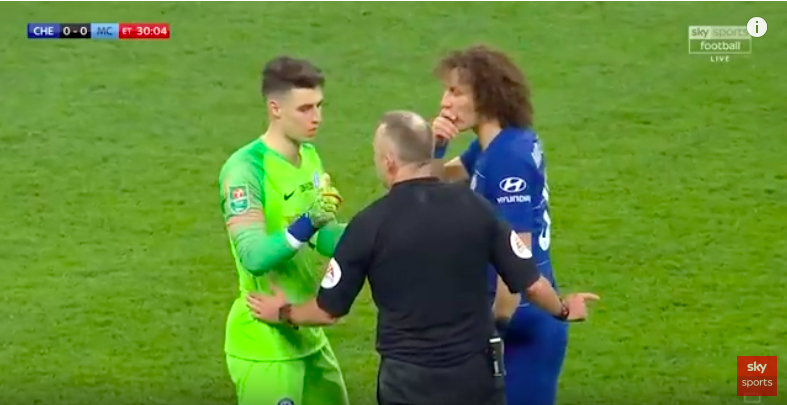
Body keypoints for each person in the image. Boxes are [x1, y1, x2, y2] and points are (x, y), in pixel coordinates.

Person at [246, 110, 599, 405]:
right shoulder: (478, 208)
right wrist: (564, 309)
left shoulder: (370, 224)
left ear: (388, 161)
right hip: (475, 377)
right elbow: (532, 284)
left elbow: (328, 311)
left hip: (408, 383)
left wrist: (283, 312)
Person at [430, 44, 569, 405]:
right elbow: (431, 184)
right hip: (510, 311)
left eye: (455, 91)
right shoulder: (496, 144)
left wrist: (495, 326)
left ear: (486, 95)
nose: (445, 102)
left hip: (520, 320)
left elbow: (517, 255)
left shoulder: (507, 159)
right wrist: (436, 147)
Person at [217, 55, 350, 405]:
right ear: (275, 108)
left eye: (319, 106)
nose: (317, 117)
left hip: (306, 332)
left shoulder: (310, 158)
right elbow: (253, 256)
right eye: (305, 108)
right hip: (264, 342)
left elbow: (323, 237)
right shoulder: (245, 170)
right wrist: (308, 221)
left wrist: (375, 231)